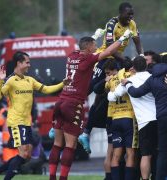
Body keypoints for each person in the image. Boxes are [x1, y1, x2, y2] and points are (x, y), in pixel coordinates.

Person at [48, 30, 133, 180]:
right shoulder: (88, 59)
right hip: (73, 104)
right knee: (70, 145)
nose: (96, 48)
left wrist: (95, 35)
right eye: (94, 46)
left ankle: (52, 177)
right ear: (88, 48)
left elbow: (83, 45)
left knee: (57, 143)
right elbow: (108, 51)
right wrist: (124, 37)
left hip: (60, 100)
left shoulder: (71, 56)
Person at [0, 51, 69, 180]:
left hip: (26, 123)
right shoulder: (10, 80)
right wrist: (0, 81)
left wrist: (63, 84)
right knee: (24, 153)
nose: (29, 65)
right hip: (16, 122)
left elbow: (47, 89)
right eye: (27, 62)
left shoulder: (30, 80)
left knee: (27, 155)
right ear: (19, 63)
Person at [79, 1, 144, 154]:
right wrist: (123, 60)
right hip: (104, 58)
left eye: (132, 14)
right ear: (121, 13)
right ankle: (61, 124)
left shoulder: (132, 24)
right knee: (88, 89)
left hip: (118, 61)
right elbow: (109, 47)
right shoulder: (112, 23)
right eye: (128, 14)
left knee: (104, 96)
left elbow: (137, 41)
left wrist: (141, 56)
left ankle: (88, 131)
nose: (131, 17)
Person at [108, 56, 157, 180]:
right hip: (156, 119)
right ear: (146, 66)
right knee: (162, 153)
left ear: (133, 68)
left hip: (137, 121)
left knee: (144, 155)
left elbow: (111, 97)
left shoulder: (128, 80)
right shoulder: (153, 77)